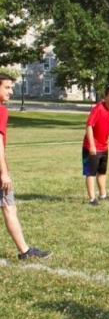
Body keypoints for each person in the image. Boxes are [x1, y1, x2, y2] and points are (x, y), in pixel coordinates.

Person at [0, 73, 52, 260]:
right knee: (9, 207)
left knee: (9, 207)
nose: (11, 91)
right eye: (6, 87)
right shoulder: (1, 110)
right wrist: (4, 172)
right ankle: (25, 251)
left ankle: (24, 250)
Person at [82, 86, 109, 206]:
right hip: (91, 147)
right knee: (91, 173)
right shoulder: (98, 109)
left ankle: (103, 195)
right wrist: (92, 145)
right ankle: (92, 199)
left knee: (102, 172)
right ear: (105, 97)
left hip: (104, 147)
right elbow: (89, 126)